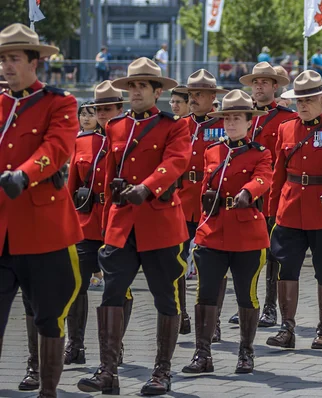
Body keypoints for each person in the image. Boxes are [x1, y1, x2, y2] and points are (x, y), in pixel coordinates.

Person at [77, 57, 190, 396]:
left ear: (158, 91)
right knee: (111, 294)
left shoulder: (174, 125)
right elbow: (111, 175)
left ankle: (161, 372)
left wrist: (148, 186)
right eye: (132, 86)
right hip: (122, 224)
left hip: (159, 223)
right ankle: (107, 371)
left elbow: (177, 162)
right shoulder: (115, 126)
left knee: (165, 298)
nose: (136, 91)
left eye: (143, 85)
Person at [0, 23, 83, 397]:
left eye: (14, 58)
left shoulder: (59, 102)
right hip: (2, 233)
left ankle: (48, 391)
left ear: (35, 62)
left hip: (42, 231)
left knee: (48, 318)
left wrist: (25, 174)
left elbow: (57, 147)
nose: (6, 66)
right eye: (2, 59)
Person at [182, 89, 272, 375]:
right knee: (205, 293)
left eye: (237, 118)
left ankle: (246, 353)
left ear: (249, 122)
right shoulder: (213, 151)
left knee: (247, 295)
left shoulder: (260, 152)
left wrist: (249, 190)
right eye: (227, 118)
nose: (231, 123)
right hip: (213, 229)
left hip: (247, 232)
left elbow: (264, 177)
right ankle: (202, 354)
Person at [266, 70, 322, 349]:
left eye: (309, 99)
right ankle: (287, 329)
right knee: (286, 269)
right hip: (291, 208)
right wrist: (271, 212)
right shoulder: (286, 128)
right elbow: (277, 173)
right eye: (299, 100)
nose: (303, 105)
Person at [65, 82, 129, 366]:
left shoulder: (130, 140)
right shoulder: (81, 142)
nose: (103, 115)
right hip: (86, 223)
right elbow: (70, 188)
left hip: (117, 222)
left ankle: (116, 345)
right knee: (74, 284)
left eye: (108, 110)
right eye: (99, 110)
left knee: (119, 287)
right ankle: (75, 345)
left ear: (120, 110)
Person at [228, 62, 296, 328]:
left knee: (272, 255)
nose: (258, 86)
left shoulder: (285, 118)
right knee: (243, 254)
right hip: (241, 198)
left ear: (275, 86)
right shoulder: (243, 116)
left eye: (265, 82)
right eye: (255, 82)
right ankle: (247, 302)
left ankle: (269, 308)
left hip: (270, 197)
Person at [176, 69, 228, 340]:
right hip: (182, 201)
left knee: (213, 265)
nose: (193, 99)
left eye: (198, 94)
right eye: (191, 94)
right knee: (176, 262)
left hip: (212, 202)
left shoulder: (223, 125)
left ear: (212, 96)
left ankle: (213, 319)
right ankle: (180, 314)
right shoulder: (180, 125)